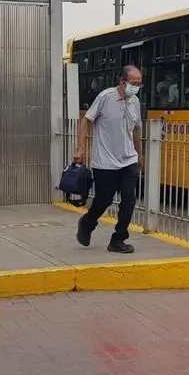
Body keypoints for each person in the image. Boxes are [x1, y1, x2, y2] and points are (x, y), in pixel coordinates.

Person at [73, 65, 144, 254]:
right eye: (133, 83)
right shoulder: (105, 97)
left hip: (128, 160)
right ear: (122, 82)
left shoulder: (135, 102)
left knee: (129, 199)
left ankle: (118, 239)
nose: (136, 87)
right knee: (104, 200)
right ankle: (87, 223)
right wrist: (81, 149)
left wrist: (139, 154)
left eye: (139, 84)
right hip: (105, 162)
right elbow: (86, 120)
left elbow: (136, 130)